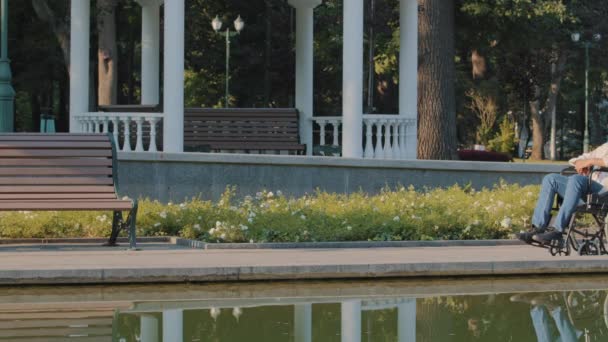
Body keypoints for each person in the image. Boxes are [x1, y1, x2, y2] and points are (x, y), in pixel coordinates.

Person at [518, 143, 608, 245]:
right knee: (551, 179)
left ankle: (557, 231)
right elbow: (582, 158)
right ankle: (538, 228)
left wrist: (590, 161)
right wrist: (580, 162)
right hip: (588, 190)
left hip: (604, 193)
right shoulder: (606, 147)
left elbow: (594, 160)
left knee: (576, 179)